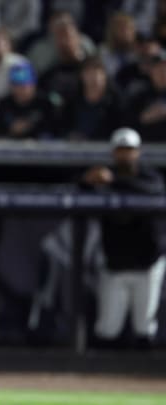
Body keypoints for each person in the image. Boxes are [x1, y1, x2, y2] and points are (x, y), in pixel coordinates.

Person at [80, 127, 166, 348]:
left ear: (137, 152)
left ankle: (141, 378)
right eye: (121, 149)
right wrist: (87, 180)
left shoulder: (149, 176)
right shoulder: (104, 176)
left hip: (147, 264)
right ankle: (100, 379)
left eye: (129, 149)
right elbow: (80, 189)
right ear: (114, 152)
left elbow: (154, 190)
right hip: (115, 265)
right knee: (108, 328)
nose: (125, 154)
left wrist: (113, 181)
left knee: (145, 327)